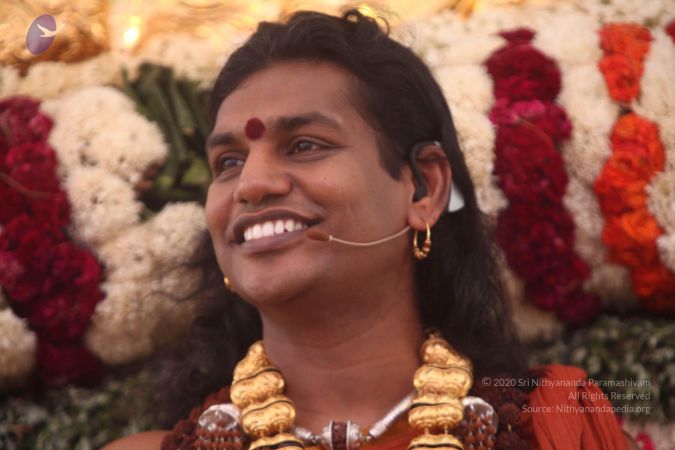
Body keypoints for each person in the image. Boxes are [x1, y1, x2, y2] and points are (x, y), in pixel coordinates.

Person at [104, 9, 637, 450]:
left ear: (423, 189)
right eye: (228, 162)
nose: (251, 184)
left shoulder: (555, 425)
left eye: (304, 145)